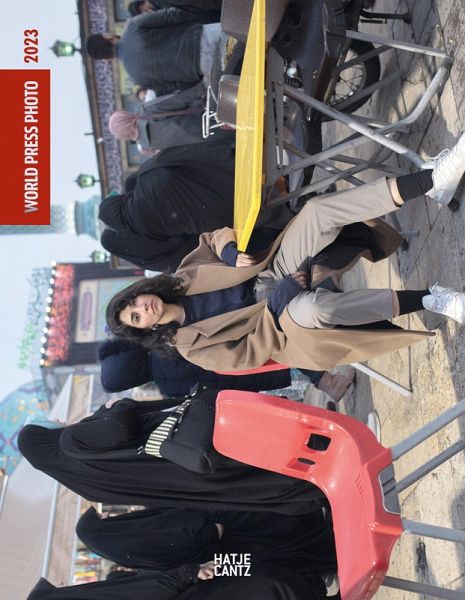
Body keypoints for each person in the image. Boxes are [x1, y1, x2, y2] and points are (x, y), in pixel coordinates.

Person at [105, 135, 465, 373]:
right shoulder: (191, 347)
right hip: (283, 325)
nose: (142, 308)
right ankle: (433, 299)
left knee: (317, 213)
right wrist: (277, 303)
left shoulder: (182, 278)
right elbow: (250, 354)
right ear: (146, 330)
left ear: (140, 291)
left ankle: (432, 180)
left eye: (134, 302)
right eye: (136, 317)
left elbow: (212, 238)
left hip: (272, 270)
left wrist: (228, 252)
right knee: (315, 309)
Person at [18, 393, 324, 514]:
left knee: (257, 480)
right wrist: (116, 406)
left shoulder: (79, 484)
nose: (58, 422)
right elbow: (120, 427)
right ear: (42, 436)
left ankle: (323, 487)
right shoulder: (70, 442)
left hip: (185, 472)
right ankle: (327, 450)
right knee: (262, 449)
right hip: (184, 443)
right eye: (48, 424)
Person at [99, 135, 293, 273]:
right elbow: (196, 151)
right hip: (253, 172)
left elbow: (190, 254)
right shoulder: (148, 174)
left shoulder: (151, 241)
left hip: (251, 218)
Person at [75, 505, 337, 577]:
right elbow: (177, 536)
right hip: (221, 543)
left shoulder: (125, 553)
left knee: (281, 559)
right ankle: (332, 544)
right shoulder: (136, 535)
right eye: (101, 518)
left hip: (218, 564)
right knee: (279, 539)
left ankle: (329, 554)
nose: (106, 515)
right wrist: (211, 531)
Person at [99, 338, 353, 401]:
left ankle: (330, 378)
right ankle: (330, 381)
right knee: (288, 349)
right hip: (240, 359)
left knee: (292, 360)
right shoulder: (166, 348)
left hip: (242, 381)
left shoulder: (166, 388)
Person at [85, 8, 224, 95]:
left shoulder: (137, 78)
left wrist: (196, 73)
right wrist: (196, 21)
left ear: (107, 59)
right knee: (236, 32)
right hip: (202, 36)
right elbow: (171, 15)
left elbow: (177, 85)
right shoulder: (133, 26)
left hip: (201, 67)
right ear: (107, 36)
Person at [27, 562, 323, 600]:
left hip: (197, 572)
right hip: (197, 578)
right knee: (265, 576)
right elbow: (146, 591)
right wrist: (187, 573)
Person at [108, 107, 205, 154]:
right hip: (200, 115)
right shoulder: (145, 112)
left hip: (203, 141)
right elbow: (177, 100)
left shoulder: (147, 148)